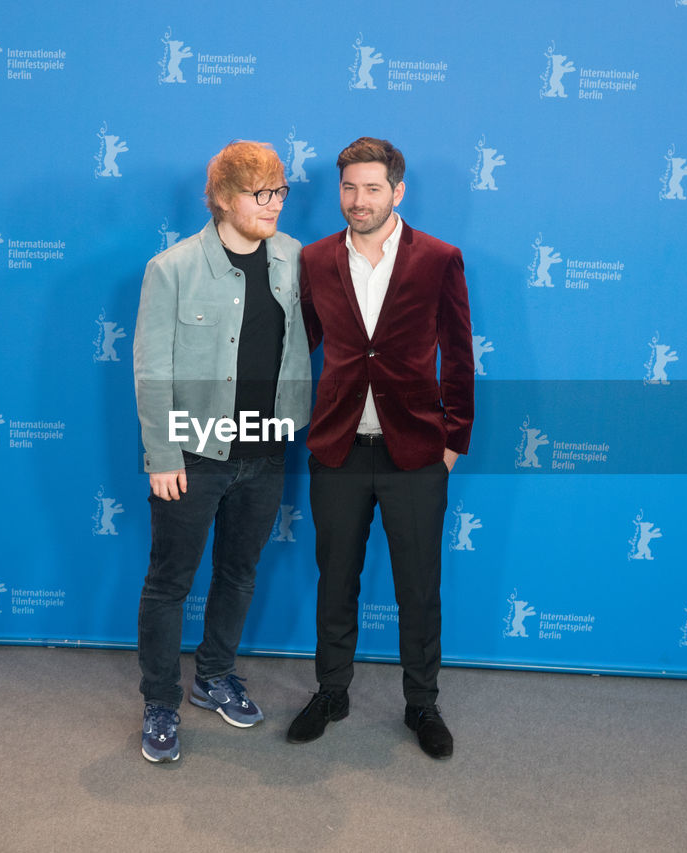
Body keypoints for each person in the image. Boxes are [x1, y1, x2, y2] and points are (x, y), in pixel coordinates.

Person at [287, 137, 474, 759]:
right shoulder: (313, 260)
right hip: (338, 449)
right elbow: (298, 350)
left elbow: (460, 356)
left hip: (416, 454)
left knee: (418, 587)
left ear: (398, 191)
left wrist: (452, 444)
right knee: (334, 579)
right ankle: (331, 691)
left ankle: (422, 703)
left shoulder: (439, 259)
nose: (357, 200)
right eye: (348, 188)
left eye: (371, 188)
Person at [132, 141, 310, 763]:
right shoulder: (172, 268)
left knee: (239, 570)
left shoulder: (292, 258)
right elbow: (152, 372)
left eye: (280, 192)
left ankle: (213, 676)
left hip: (266, 450)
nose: (274, 206)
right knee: (169, 583)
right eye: (260, 195)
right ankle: (160, 702)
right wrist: (162, 456)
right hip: (194, 451)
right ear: (223, 200)